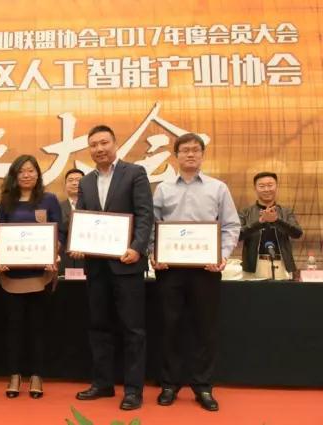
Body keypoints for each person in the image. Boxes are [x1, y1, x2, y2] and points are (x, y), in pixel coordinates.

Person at [150, 133, 240, 412]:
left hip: (206, 269)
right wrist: (154, 253)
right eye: (185, 150)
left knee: (205, 328)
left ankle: (203, 386)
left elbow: (231, 225)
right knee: (170, 326)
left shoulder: (218, 188)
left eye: (195, 150)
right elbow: (152, 226)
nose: (190, 154)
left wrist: (222, 255)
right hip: (170, 270)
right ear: (176, 156)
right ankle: (169, 384)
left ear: (202, 155)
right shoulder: (163, 189)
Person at [71, 125, 153, 411]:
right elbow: (83, 217)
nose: (99, 149)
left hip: (127, 264)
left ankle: (133, 390)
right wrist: (78, 243)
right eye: (93, 145)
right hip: (96, 267)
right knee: (99, 327)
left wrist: (137, 247)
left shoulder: (135, 173)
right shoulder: (86, 182)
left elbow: (145, 215)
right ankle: (103, 383)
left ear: (115, 144)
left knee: (133, 330)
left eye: (104, 142)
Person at [0, 155, 63, 399]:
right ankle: (14, 375)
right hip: (12, 276)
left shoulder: (49, 200)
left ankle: (36, 375)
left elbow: (59, 233)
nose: (26, 175)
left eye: (31, 170)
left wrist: (53, 252)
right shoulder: (5, 202)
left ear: (38, 174)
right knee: (14, 328)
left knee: (38, 327)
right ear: (14, 176)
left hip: (40, 275)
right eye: (21, 171)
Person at [239, 172, 303, 280]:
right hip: (254, 266)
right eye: (262, 186)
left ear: (276, 186)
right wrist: (259, 223)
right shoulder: (246, 212)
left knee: (283, 291)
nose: (266, 189)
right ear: (255, 188)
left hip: (282, 264)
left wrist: (276, 220)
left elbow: (297, 233)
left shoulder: (286, 212)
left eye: (270, 185)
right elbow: (237, 235)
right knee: (252, 291)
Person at [58, 168, 85, 274]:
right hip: (64, 260)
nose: (74, 183)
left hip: (88, 260)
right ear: (65, 185)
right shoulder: (56, 207)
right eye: (70, 180)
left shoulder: (93, 207)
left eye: (78, 180)